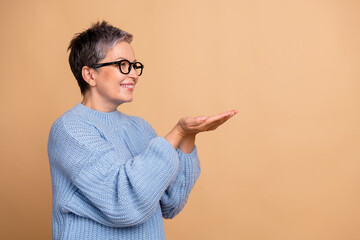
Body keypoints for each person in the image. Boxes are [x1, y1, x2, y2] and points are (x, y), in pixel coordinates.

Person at [48, 21, 237, 240]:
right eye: (122, 65)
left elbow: (171, 203)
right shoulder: (70, 129)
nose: (134, 75)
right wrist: (176, 133)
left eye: (135, 66)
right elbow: (124, 202)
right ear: (90, 75)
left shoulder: (141, 127)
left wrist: (187, 135)